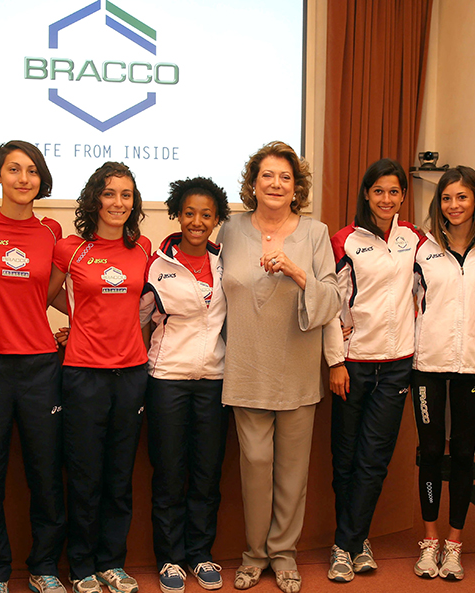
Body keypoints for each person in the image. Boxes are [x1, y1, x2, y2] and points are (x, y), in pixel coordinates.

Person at [216, 141, 340, 593]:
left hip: (298, 368)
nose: (276, 183)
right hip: (246, 367)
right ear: (253, 184)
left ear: (296, 187)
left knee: (292, 471)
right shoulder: (227, 229)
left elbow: (333, 298)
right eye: (267, 175)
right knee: (255, 464)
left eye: (285, 177)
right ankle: (253, 554)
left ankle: (284, 555)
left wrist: (297, 272)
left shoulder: (316, 233)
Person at [0, 141, 66, 593]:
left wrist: (82, 327)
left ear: (41, 180)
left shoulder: (51, 231)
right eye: (15, 169)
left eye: (33, 171)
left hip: (40, 365)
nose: (24, 178)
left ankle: (43, 567)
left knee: (46, 471)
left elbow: (53, 293)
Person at [48, 162, 151, 593]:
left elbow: (144, 304)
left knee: (118, 475)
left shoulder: (142, 246)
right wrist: (79, 320)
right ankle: (83, 566)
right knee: (86, 475)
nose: (118, 203)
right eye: (110, 194)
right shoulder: (69, 248)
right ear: (94, 199)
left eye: (126, 195)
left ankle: (112, 561)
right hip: (83, 374)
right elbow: (46, 294)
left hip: (130, 373)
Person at [325, 158, 420, 582]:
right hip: (353, 365)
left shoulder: (414, 240)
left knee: (373, 460)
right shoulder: (344, 240)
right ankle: (353, 541)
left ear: (403, 195)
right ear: (367, 193)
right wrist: (336, 361)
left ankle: (347, 544)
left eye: (394, 191)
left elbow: (430, 291)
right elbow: (332, 306)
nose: (386, 199)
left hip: (397, 366)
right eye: (379, 190)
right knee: (345, 458)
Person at [409, 166, 475, 580]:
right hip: (428, 365)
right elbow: (404, 301)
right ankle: (429, 543)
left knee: (463, 455)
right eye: (447, 198)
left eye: (462, 197)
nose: (454, 205)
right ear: (438, 203)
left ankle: (454, 544)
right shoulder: (422, 250)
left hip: (474, 368)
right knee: (430, 454)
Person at [139, 177, 231, 593]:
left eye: (206, 214)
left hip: (215, 381)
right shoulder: (156, 264)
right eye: (190, 213)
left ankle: (200, 554)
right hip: (167, 382)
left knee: (207, 473)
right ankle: (171, 558)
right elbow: (138, 322)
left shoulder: (226, 261)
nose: (197, 221)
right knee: (170, 473)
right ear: (178, 213)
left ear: (217, 219)